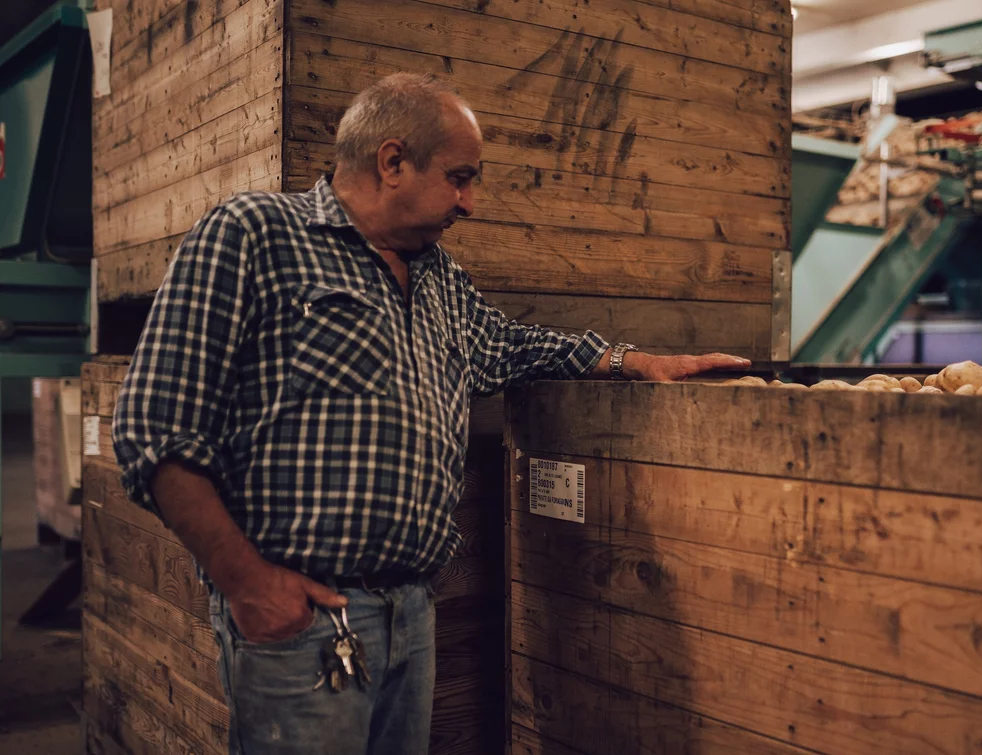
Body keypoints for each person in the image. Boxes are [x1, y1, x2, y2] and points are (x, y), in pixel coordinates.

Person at [111, 72, 750, 755]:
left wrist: (632, 362)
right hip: (303, 618)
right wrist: (248, 584)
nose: (469, 203)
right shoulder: (254, 236)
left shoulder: (440, 277)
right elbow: (151, 428)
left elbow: (510, 346)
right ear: (391, 162)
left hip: (410, 612)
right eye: (460, 177)